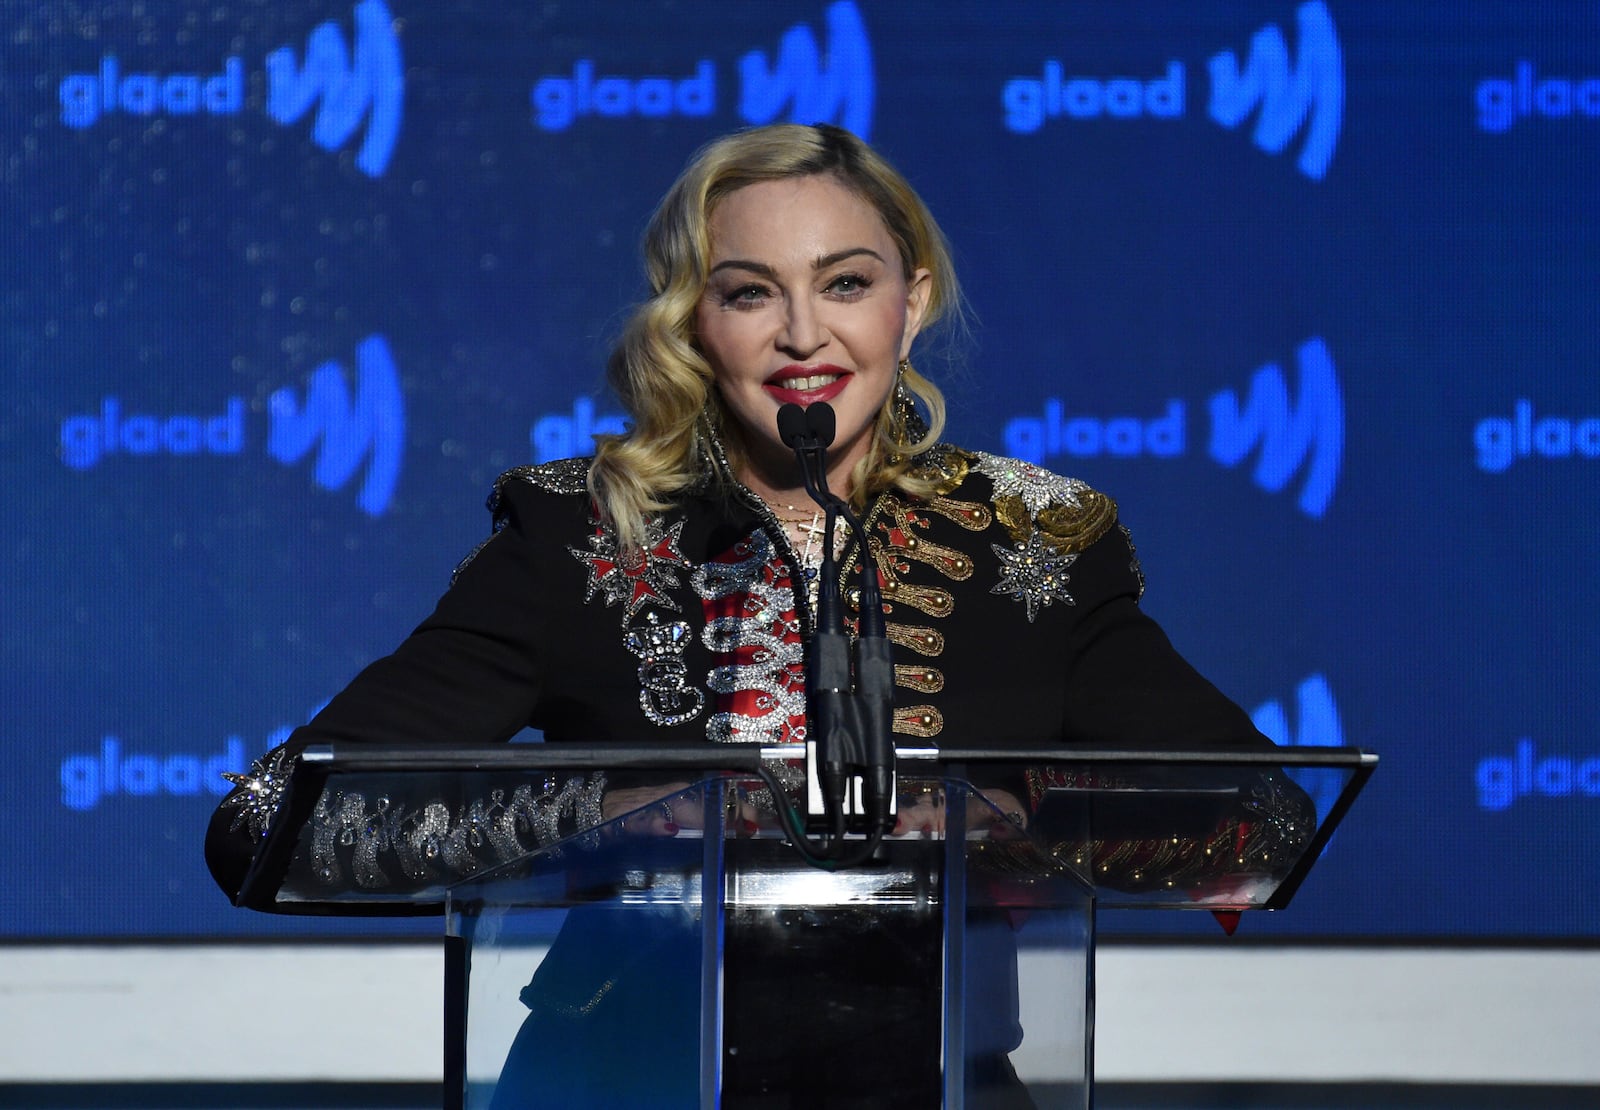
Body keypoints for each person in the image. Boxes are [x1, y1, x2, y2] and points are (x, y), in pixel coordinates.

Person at [207, 124, 1300, 1108]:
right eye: (748, 292)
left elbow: (1261, 816)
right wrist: (619, 811)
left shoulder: (1034, 542)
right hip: (619, 1076)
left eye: (844, 283)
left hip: (936, 1080)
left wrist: (1001, 823)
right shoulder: (580, 533)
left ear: (908, 303)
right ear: (694, 321)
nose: (801, 335)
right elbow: (271, 822)